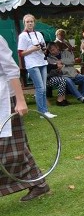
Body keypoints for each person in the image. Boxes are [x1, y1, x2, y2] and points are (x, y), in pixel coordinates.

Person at [0, 35, 51, 201]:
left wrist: (21, 100)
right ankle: (39, 183)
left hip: (6, 99)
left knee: (10, 149)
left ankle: (38, 183)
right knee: (14, 148)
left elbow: (11, 69)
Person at [17, 14, 56, 118]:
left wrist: (43, 49)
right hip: (32, 64)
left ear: (34, 23)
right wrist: (32, 49)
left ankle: (45, 111)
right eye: (27, 22)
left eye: (31, 21)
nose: (30, 23)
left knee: (43, 87)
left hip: (42, 62)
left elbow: (44, 48)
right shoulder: (23, 36)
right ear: (24, 23)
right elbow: (20, 53)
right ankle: (42, 112)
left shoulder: (38, 34)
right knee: (40, 88)